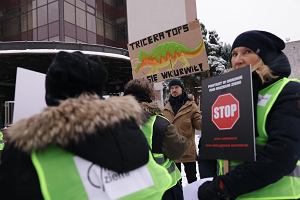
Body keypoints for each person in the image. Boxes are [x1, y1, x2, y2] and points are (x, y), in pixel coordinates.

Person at [0, 51, 172, 199]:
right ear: (97, 91)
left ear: (50, 94)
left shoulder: (24, 150)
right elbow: (161, 182)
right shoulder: (133, 134)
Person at [197, 30, 300, 199]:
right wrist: (209, 181)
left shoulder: (288, 91)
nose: (238, 60)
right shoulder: (226, 95)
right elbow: (209, 146)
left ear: (265, 56)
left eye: (247, 52)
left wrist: (224, 186)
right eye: (234, 54)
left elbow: (282, 155)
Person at [124, 79, 188, 200]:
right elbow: (177, 151)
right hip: (165, 188)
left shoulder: (114, 124)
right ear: (149, 96)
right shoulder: (159, 123)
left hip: (134, 191)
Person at [163, 78, 202, 184]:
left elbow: (199, 125)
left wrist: (204, 119)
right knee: (175, 182)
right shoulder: (166, 108)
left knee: (192, 181)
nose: (174, 90)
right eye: (171, 88)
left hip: (187, 151)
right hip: (173, 152)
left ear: (182, 89)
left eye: (176, 87)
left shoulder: (191, 105)